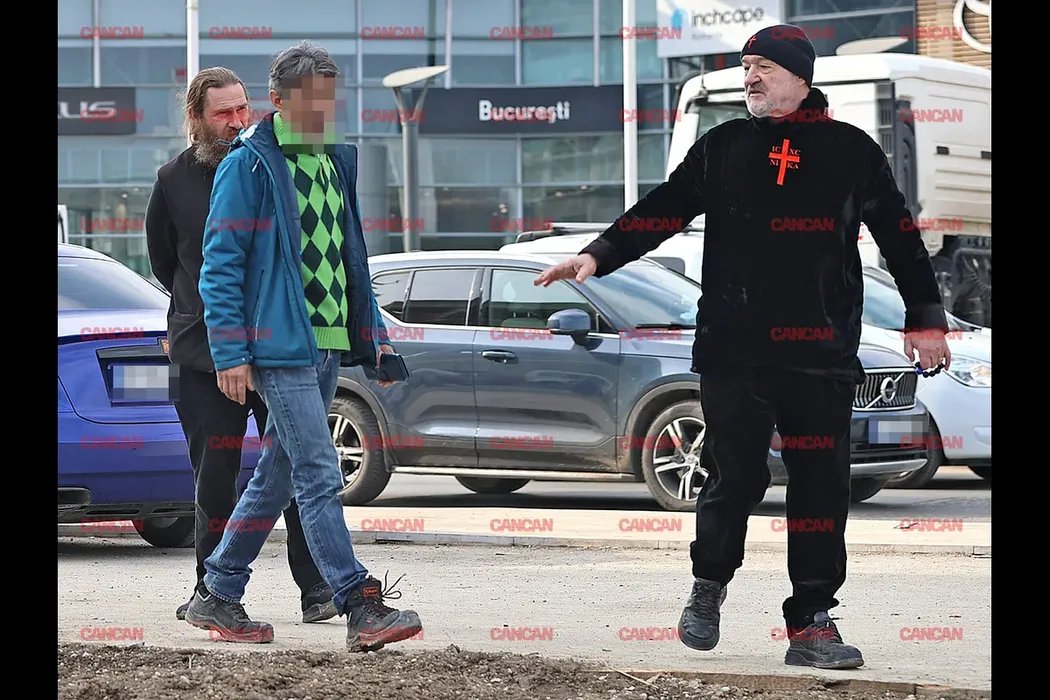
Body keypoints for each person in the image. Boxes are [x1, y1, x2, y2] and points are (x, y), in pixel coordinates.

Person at [535, 25, 952, 670]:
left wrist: (925, 319)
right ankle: (708, 586)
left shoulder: (852, 151)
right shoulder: (722, 145)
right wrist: (600, 253)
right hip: (734, 348)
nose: (750, 77)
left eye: (764, 67)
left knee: (820, 487)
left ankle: (811, 623)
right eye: (746, 66)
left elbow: (900, 237)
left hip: (820, 352)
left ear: (800, 77)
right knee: (735, 477)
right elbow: (664, 208)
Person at [187, 41, 422, 651]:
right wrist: (230, 353)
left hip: (327, 344)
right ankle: (358, 602)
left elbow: (351, 260)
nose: (321, 111)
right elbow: (219, 266)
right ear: (278, 99)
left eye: (328, 99)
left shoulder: (334, 161)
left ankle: (218, 589)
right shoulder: (249, 165)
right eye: (309, 100)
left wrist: (375, 339)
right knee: (319, 471)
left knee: (280, 474)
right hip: (278, 347)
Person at [145, 66, 338, 626]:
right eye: (222, 113)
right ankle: (211, 591)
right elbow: (167, 263)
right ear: (196, 117)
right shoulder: (172, 179)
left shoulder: (273, 163)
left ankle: (318, 588)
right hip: (205, 356)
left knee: (298, 465)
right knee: (215, 475)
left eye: (241, 109)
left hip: (278, 346)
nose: (235, 122)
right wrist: (201, 326)